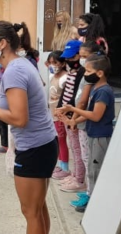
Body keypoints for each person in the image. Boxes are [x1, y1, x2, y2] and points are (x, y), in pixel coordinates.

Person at [0, 21, 57, 234]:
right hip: (42, 144)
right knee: (37, 207)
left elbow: (19, 119)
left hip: (35, 148)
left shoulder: (14, 71)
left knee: (30, 212)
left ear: (2, 44)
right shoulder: (20, 64)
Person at [57, 54, 115, 213]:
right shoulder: (97, 88)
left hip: (100, 137)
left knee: (95, 170)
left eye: (89, 71)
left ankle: (95, 203)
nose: (86, 74)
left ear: (100, 73)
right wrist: (73, 121)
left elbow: (96, 115)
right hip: (93, 134)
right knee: (91, 167)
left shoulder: (103, 91)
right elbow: (90, 112)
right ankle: (90, 195)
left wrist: (72, 109)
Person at [54, 40, 87, 194]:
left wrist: (72, 117)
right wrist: (59, 109)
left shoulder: (82, 72)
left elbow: (78, 98)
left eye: (72, 58)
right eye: (67, 58)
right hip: (66, 115)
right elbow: (66, 93)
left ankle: (79, 179)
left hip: (73, 116)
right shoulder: (71, 71)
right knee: (74, 148)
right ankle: (74, 175)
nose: (68, 61)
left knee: (78, 149)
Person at [46, 51, 70, 179]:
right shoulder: (52, 76)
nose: (52, 65)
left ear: (63, 63)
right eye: (50, 62)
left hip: (61, 115)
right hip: (53, 113)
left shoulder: (65, 78)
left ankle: (65, 167)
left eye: (55, 62)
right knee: (57, 139)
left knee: (61, 140)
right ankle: (60, 165)